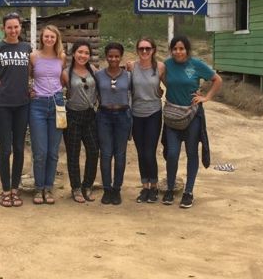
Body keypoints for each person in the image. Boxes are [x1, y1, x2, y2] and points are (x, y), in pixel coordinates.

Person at [163, 35, 222, 209]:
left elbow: (217, 80)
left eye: (181, 49)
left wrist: (206, 97)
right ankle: (170, 188)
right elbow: (159, 76)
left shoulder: (196, 64)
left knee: (191, 153)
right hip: (172, 116)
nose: (178, 52)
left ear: (187, 50)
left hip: (193, 116)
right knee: (172, 153)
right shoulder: (166, 64)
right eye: (175, 49)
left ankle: (188, 192)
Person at [0, 12, 32, 208]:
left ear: (21, 27)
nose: (13, 30)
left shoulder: (27, 47)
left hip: (22, 105)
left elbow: (34, 71)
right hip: (2, 105)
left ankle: (15, 189)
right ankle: (5, 190)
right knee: (6, 149)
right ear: (3, 28)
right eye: (9, 27)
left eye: (16, 27)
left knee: (20, 148)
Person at [29, 25, 66, 205]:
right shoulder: (34, 56)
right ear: (42, 38)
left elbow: (63, 79)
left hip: (57, 104)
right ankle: (38, 187)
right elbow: (27, 76)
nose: (49, 39)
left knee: (53, 151)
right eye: (46, 36)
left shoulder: (61, 57)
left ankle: (48, 187)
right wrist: (29, 89)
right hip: (38, 105)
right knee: (40, 151)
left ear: (56, 39)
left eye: (52, 37)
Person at [128, 37, 165, 203]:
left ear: (153, 50)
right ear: (137, 50)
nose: (144, 51)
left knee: (150, 152)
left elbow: (172, 85)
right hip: (136, 113)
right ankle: (145, 186)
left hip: (153, 113)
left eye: (147, 48)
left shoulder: (160, 67)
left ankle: (154, 185)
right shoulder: (131, 66)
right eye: (141, 48)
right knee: (141, 152)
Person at [62, 40, 99, 203]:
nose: (83, 56)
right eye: (80, 52)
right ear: (73, 53)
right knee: (73, 153)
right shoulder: (65, 73)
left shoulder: (95, 71)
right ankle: (76, 188)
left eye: (86, 53)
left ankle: (87, 185)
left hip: (90, 116)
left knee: (93, 151)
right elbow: (55, 88)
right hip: (72, 116)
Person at [95, 42, 132, 205]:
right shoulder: (99, 75)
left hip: (123, 115)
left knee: (120, 154)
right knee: (106, 153)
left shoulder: (128, 76)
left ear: (121, 57)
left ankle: (117, 189)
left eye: (117, 56)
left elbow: (136, 93)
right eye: (110, 56)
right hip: (104, 115)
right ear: (106, 57)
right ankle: (107, 189)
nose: (113, 59)